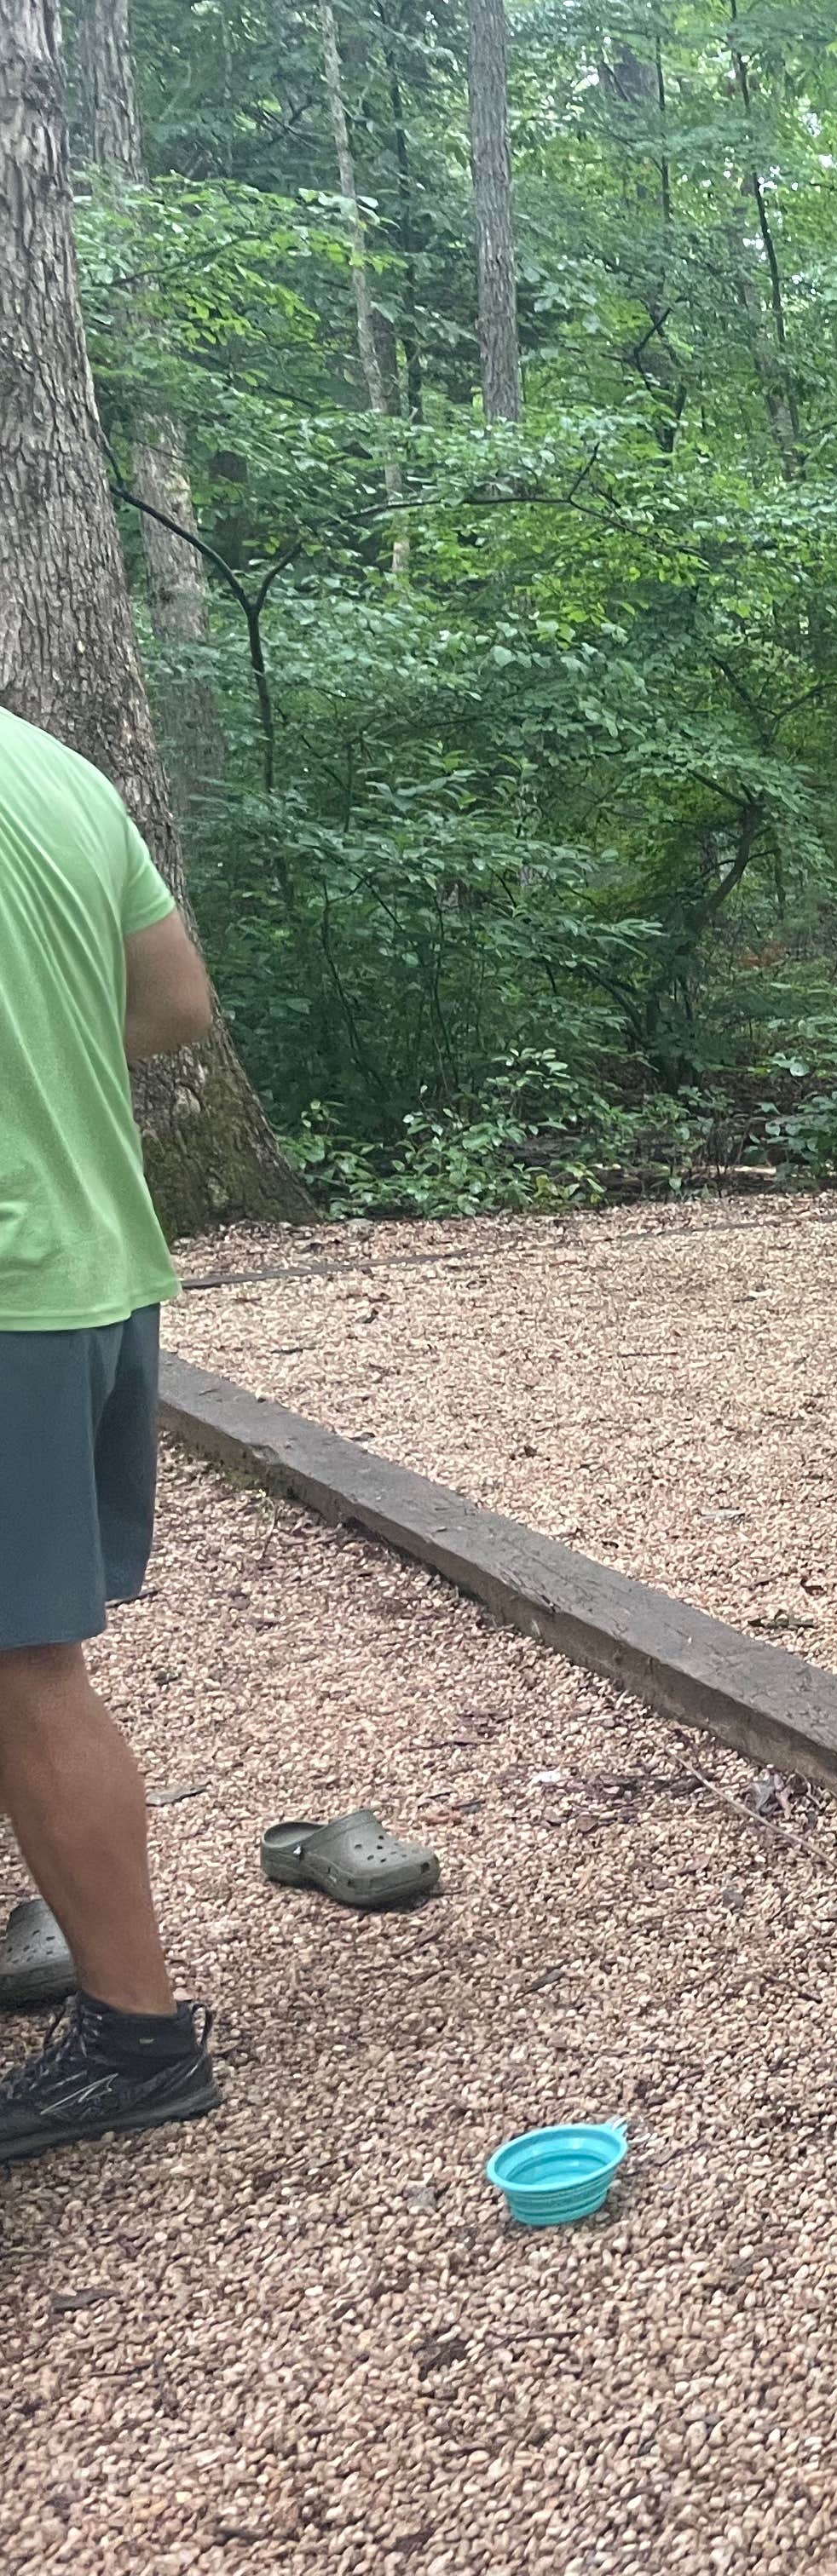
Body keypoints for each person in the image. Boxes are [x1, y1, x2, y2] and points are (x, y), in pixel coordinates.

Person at [0, 703, 222, 2162]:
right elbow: (174, 1005)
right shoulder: (55, 771)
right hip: (91, 1266)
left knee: (23, 1667)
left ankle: (136, 2037)